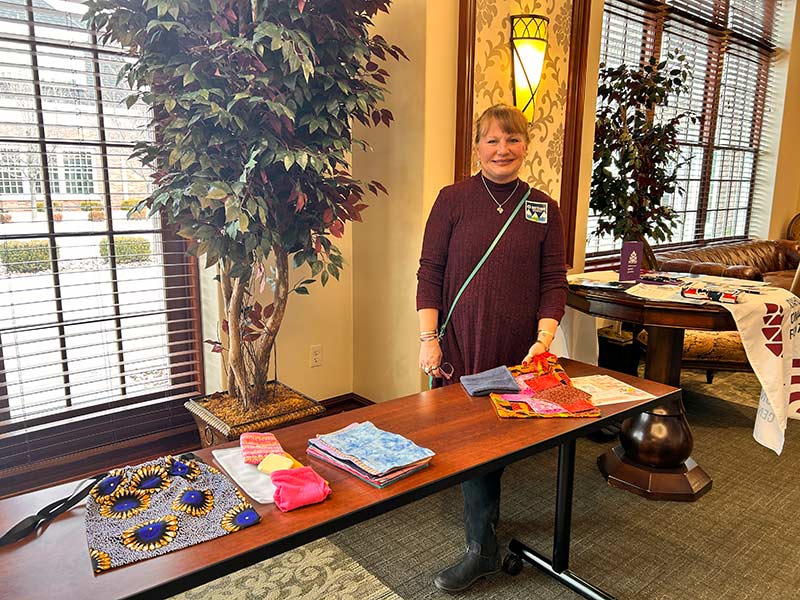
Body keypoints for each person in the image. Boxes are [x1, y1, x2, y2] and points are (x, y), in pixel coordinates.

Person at [415, 103, 568, 592]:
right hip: (459, 341)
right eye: (492, 140)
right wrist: (427, 338)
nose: (503, 149)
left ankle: (484, 535)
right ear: (476, 147)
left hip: (518, 346)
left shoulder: (543, 205)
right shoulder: (453, 198)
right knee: (468, 442)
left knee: (499, 443)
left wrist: (543, 340)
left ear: (527, 145)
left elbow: (553, 281)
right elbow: (430, 272)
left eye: (513, 139)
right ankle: (481, 548)